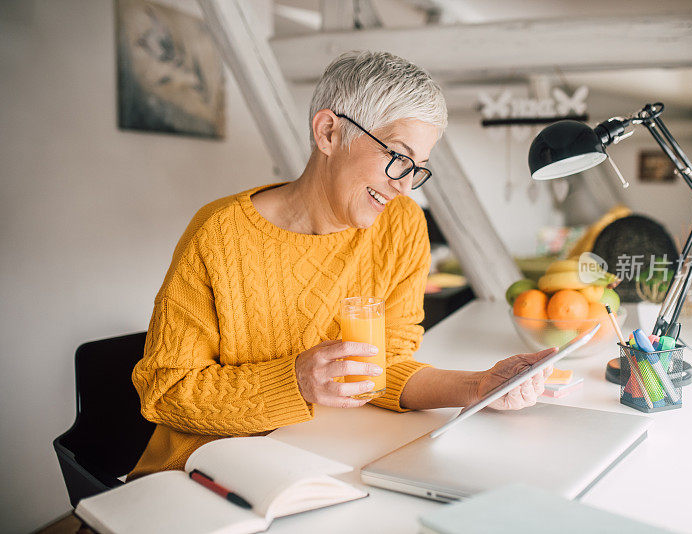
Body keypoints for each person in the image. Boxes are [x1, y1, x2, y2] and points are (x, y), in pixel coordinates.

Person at [128, 51, 554, 479]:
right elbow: (165, 391)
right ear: (328, 132)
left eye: (419, 169)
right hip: (201, 473)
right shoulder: (219, 235)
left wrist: (480, 387)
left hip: (316, 460)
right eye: (398, 158)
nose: (404, 186)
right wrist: (294, 381)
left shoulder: (401, 226)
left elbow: (381, 365)